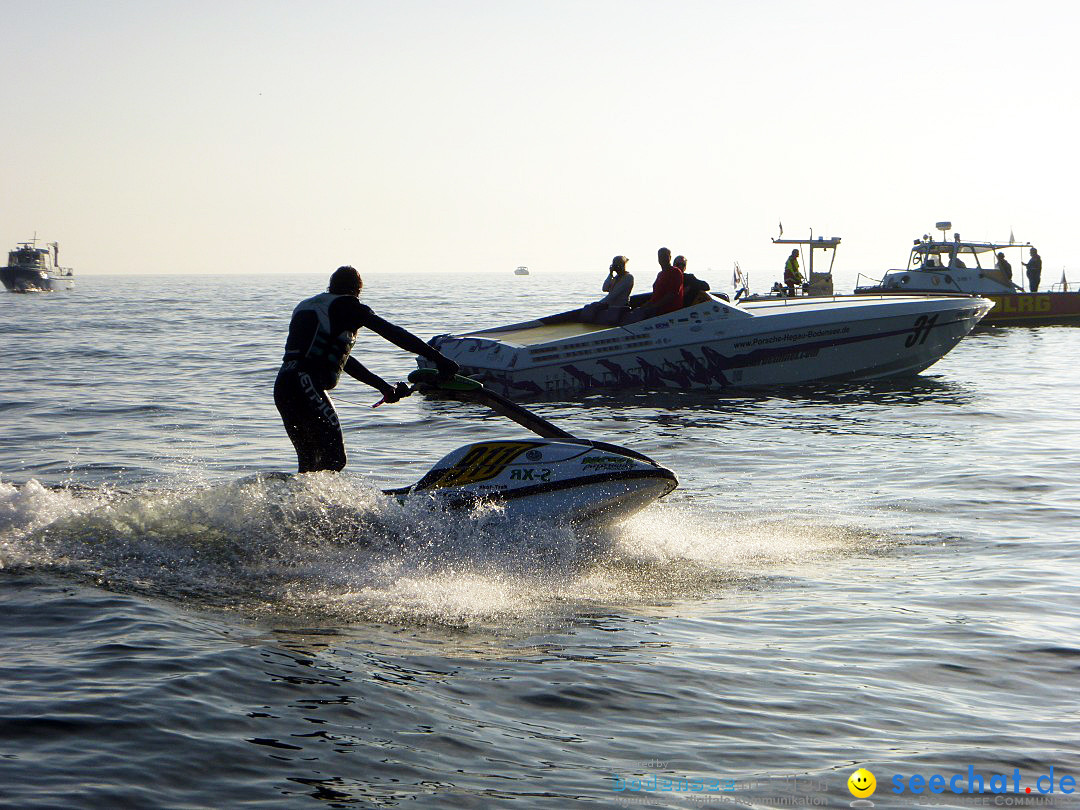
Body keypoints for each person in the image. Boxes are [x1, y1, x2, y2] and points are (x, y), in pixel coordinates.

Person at [274, 265, 460, 473]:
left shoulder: (308, 306)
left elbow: (343, 359)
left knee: (309, 462)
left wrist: (382, 386)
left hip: (284, 385)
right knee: (334, 459)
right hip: (304, 384)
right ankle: (315, 504)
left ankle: (294, 504)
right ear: (357, 291)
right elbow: (393, 333)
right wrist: (439, 359)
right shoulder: (347, 305)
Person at [582, 255, 634, 324]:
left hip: (620, 306)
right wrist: (610, 274)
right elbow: (605, 288)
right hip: (610, 306)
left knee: (593, 307)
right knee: (591, 307)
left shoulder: (628, 278)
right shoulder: (616, 277)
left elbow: (613, 295)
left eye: (618, 265)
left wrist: (598, 304)